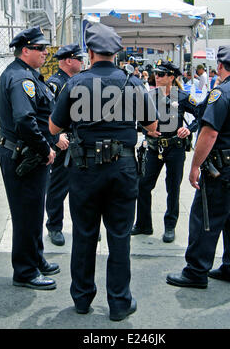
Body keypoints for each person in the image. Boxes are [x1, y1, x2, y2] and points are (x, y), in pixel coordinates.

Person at [48, 22, 158, 321]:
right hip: (122, 168)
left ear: (91, 51)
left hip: (84, 168)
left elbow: (54, 127)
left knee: (84, 234)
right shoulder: (132, 82)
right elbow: (152, 127)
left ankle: (82, 299)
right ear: (116, 52)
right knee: (119, 235)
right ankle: (120, 303)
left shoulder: (75, 83)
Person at [166, 45, 230, 289]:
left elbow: (210, 133)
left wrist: (195, 165)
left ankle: (196, 271)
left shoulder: (222, 93)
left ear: (220, 66)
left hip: (224, 165)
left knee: (205, 216)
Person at [0, 26, 68, 290]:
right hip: (22, 154)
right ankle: (25, 271)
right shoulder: (20, 79)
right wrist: (45, 148)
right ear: (25, 50)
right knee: (26, 214)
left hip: (29, 154)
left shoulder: (30, 75)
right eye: (40, 49)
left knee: (35, 210)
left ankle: (36, 258)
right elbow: (24, 121)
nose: (46, 53)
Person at [131, 61, 199, 243]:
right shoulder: (150, 95)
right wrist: (147, 130)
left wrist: (189, 129)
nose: (157, 77)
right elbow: (138, 118)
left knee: (173, 188)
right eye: (156, 74)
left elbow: (202, 114)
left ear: (171, 77)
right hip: (154, 147)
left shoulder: (183, 96)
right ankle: (144, 224)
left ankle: (170, 226)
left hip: (175, 148)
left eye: (161, 74)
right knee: (143, 185)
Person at [46, 43, 84, 246]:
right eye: (79, 58)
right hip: (63, 142)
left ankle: (85, 228)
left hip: (78, 141)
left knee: (83, 188)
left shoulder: (76, 81)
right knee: (58, 188)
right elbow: (46, 114)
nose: (82, 62)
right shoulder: (55, 83)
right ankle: (54, 227)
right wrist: (56, 137)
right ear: (68, 60)